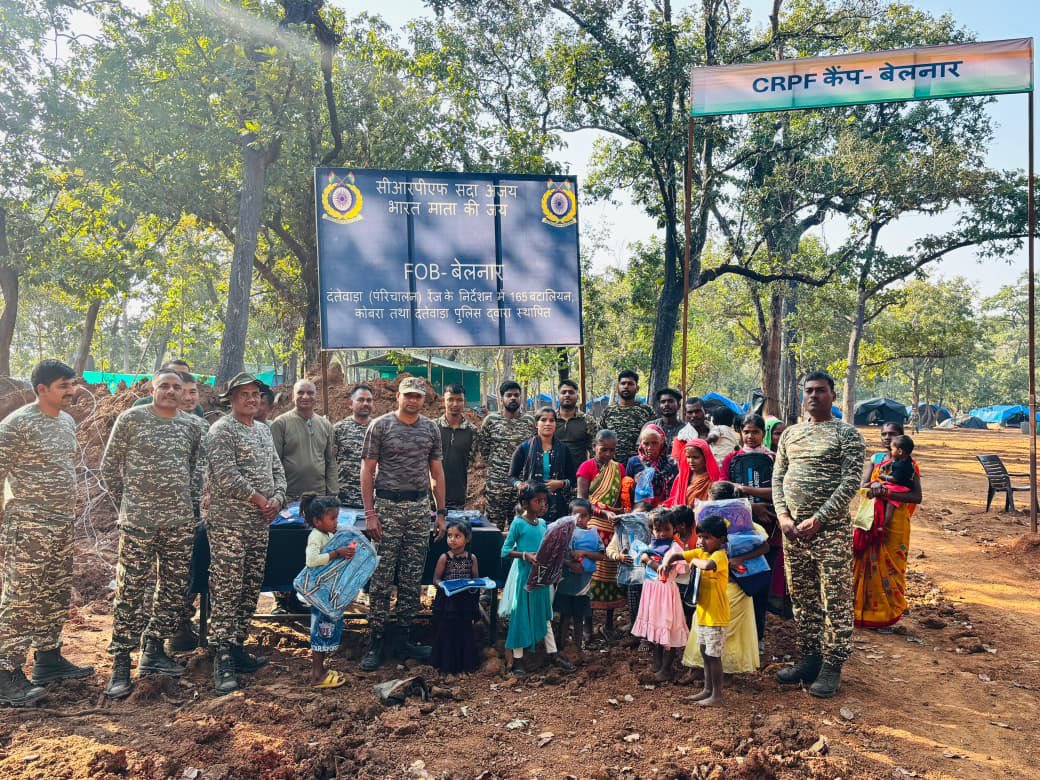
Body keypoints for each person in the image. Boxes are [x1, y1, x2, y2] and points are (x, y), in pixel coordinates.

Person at [101, 368, 204, 699]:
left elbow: (195, 472)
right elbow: (109, 468)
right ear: (151, 388)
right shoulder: (131, 419)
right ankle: (120, 663)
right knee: (130, 591)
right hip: (138, 524)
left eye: (177, 387)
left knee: (173, 589)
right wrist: (127, 504)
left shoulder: (194, 426)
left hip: (179, 524)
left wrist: (187, 509)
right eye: (164, 386)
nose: (171, 391)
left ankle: (154, 649)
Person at [0, 360, 93, 706]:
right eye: (63, 386)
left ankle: (48, 659)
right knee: (22, 598)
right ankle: (5, 672)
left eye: (72, 384)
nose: (71, 391)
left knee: (53, 593)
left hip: (60, 522)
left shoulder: (67, 422)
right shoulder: (17, 424)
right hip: (28, 525)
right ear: (41, 389)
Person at [773, 371, 865, 698]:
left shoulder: (847, 435)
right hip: (794, 533)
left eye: (821, 391)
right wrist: (783, 515)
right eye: (809, 391)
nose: (814, 396)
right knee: (802, 597)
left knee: (835, 599)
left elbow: (850, 483)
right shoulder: (791, 435)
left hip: (830, 533)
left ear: (833, 395)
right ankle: (809, 658)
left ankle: (832, 665)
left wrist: (819, 519)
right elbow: (778, 477)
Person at [205, 372, 287, 695]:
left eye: (255, 394)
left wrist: (278, 500)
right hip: (228, 524)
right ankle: (221, 654)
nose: (251, 399)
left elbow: (278, 471)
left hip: (259, 525)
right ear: (231, 399)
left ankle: (238, 644)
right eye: (244, 395)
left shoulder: (264, 431)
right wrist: (261, 500)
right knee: (226, 586)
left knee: (250, 585)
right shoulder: (221, 431)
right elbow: (228, 478)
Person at [359, 377, 447, 671]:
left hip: (419, 508)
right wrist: (370, 513)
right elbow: (367, 470)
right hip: (387, 507)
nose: (413, 400)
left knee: (411, 579)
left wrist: (441, 512)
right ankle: (377, 638)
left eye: (418, 396)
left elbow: (436, 471)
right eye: (408, 395)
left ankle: (404, 637)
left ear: (424, 399)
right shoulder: (380, 426)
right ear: (398, 396)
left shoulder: (431, 428)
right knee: (382, 578)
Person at [499, 483, 573, 676]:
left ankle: (553, 654)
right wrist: (525, 555)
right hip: (524, 579)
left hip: (541, 578)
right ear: (525, 503)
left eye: (544, 501)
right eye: (537, 501)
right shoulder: (518, 524)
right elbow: (505, 551)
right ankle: (518, 660)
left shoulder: (542, 524)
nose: (542, 505)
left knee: (545, 615)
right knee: (520, 616)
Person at [855, 426, 922, 630]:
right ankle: (861, 612)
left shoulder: (909, 465)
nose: (886, 438)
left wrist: (885, 492)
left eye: (891, 435)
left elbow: (916, 496)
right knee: (864, 562)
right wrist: (875, 487)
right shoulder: (875, 460)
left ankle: (887, 614)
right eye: (884, 434)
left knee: (892, 567)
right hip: (872, 518)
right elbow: (864, 486)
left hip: (895, 524)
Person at [169, 371, 212, 653]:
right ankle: (177, 629)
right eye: (183, 391)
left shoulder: (204, 426)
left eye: (193, 391)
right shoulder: (164, 424)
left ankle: (190, 624)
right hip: (173, 513)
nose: (188, 396)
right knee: (175, 575)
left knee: (198, 569)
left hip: (202, 513)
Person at [671, 514, 730, 707]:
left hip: (716, 616)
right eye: (700, 536)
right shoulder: (702, 552)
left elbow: (706, 566)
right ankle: (707, 689)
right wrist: (666, 562)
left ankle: (717, 695)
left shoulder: (719, 556)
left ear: (721, 540)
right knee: (705, 653)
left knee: (713, 657)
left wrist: (694, 560)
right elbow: (678, 555)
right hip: (704, 615)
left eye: (707, 537)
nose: (701, 541)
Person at [576, 430, 627, 641]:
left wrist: (620, 512)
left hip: (613, 525)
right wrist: (602, 511)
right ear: (594, 447)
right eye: (603, 449)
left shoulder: (619, 468)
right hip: (593, 524)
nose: (608, 454)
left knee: (610, 574)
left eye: (612, 450)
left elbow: (623, 497)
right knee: (593, 575)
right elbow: (582, 500)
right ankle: (587, 628)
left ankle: (608, 624)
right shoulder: (586, 467)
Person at [300, 493, 354, 689]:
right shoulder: (316, 536)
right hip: (319, 595)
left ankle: (321, 670)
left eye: (337, 518)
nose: (336, 522)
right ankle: (316, 675)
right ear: (317, 521)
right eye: (332, 518)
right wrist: (336, 553)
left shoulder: (326, 535)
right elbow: (312, 561)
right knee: (320, 632)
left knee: (324, 631)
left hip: (326, 593)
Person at [631, 510, 689, 682]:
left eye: (666, 529)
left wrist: (646, 559)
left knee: (667, 628)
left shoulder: (675, 549)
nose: (662, 533)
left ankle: (666, 668)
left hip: (665, 594)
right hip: (652, 590)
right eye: (657, 530)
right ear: (652, 529)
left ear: (675, 529)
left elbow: (663, 569)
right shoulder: (653, 545)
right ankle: (657, 662)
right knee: (655, 628)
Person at [478, 381, 535, 529]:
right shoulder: (491, 421)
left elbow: (534, 449)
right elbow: (484, 449)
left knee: (520, 528)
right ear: (502, 398)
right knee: (492, 529)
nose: (513, 398)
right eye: (508, 395)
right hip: (496, 486)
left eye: (516, 395)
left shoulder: (529, 421)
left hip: (521, 486)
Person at [271, 379, 338, 501]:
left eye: (310, 393)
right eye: (300, 393)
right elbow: (274, 463)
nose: (306, 397)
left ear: (316, 396)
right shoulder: (281, 423)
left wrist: (332, 494)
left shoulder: (325, 424)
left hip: (319, 496)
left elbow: (331, 461)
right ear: (293, 397)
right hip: (289, 496)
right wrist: (277, 495)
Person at [554, 499, 604, 651]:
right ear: (569, 515)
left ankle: (578, 648)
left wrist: (584, 553)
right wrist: (570, 564)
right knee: (565, 615)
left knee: (578, 616)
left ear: (590, 517)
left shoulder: (594, 535)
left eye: (584, 516)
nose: (579, 519)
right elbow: (557, 554)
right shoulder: (565, 533)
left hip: (584, 584)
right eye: (576, 515)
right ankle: (561, 647)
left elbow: (600, 555)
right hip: (566, 581)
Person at [431, 519, 481, 674]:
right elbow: (436, 579)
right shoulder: (445, 557)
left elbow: (475, 578)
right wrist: (444, 585)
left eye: (457, 536)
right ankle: (446, 664)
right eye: (449, 535)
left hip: (464, 601)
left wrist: (473, 586)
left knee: (464, 630)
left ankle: (465, 663)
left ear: (467, 538)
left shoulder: (471, 558)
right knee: (447, 631)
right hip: (449, 601)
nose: (452, 539)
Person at [509, 406, 575, 522]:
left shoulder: (564, 449)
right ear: (536, 424)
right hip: (530, 504)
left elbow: (573, 478)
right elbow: (511, 476)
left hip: (557, 506)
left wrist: (561, 483)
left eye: (551, 420)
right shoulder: (525, 448)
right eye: (543, 420)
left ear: (556, 424)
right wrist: (519, 485)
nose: (548, 423)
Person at [598, 370, 654, 465]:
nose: (626, 386)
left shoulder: (646, 411)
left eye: (630, 384)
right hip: (611, 465)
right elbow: (600, 438)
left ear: (637, 388)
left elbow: (653, 438)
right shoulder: (608, 411)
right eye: (623, 383)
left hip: (639, 465)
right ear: (617, 387)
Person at [436, 384, 477, 510]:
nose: (455, 404)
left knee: (454, 529)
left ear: (464, 402)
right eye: (450, 399)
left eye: (459, 400)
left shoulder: (472, 431)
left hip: (457, 494)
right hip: (432, 495)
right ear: (443, 401)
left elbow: (471, 460)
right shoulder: (432, 427)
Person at [334, 384, 374, 507]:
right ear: (350, 403)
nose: (366, 403)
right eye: (361, 400)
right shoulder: (339, 429)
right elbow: (329, 461)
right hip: (345, 499)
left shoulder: (379, 428)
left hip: (374, 501)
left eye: (369, 400)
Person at [624, 424, 678, 510]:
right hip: (640, 511)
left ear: (661, 442)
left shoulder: (671, 463)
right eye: (646, 443)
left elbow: (676, 490)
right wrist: (634, 483)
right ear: (641, 443)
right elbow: (625, 492)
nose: (650, 447)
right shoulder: (634, 462)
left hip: (665, 512)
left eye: (654, 443)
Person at [131, 360, 204, 416]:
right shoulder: (142, 404)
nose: (178, 378)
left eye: (183, 375)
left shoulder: (195, 408)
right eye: (172, 373)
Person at [666, 437, 719, 507]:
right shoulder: (681, 477)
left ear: (705, 457)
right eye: (688, 457)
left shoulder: (713, 478)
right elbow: (675, 498)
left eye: (695, 457)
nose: (691, 461)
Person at [555, 378, 596, 467]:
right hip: (552, 474)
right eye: (563, 392)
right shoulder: (550, 419)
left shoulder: (587, 420)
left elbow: (594, 450)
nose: (567, 395)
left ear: (577, 396)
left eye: (571, 392)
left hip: (579, 474)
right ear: (558, 396)